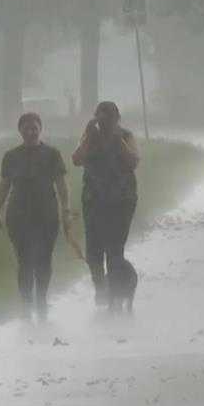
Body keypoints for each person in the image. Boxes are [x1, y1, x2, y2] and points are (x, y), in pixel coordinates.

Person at [0, 112, 73, 321]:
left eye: (34, 127)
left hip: (46, 214)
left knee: (44, 260)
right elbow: (4, 186)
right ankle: (26, 301)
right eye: (26, 128)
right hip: (18, 215)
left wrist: (66, 210)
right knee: (24, 260)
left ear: (40, 129)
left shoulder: (52, 154)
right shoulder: (10, 157)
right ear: (20, 130)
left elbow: (62, 185)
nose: (30, 131)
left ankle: (41, 298)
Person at [72, 101, 140, 306]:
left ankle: (115, 288)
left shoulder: (126, 136)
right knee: (93, 248)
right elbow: (76, 159)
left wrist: (118, 140)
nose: (106, 124)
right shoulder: (90, 137)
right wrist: (87, 134)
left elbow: (134, 162)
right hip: (94, 199)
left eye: (110, 119)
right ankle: (99, 285)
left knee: (115, 249)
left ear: (117, 118)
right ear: (96, 119)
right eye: (101, 119)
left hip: (122, 200)